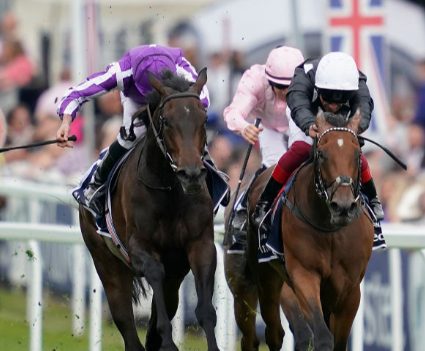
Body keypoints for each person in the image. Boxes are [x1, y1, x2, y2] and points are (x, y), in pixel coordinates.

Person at [55, 44, 210, 213]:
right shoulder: (122, 71)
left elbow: (203, 99)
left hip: (173, 99)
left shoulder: (180, 66)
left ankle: (214, 178)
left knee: (188, 129)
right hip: (136, 100)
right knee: (133, 135)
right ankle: (96, 184)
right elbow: (76, 93)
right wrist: (66, 121)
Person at [251, 51, 385, 227]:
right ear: (318, 89)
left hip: (342, 119)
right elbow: (298, 104)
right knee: (301, 149)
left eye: (339, 102)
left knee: (348, 150)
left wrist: (353, 131)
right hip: (306, 112)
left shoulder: (357, 82)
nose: (333, 106)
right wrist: (308, 126)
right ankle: (265, 202)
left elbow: (364, 111)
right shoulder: (303, 77)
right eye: (328, 100)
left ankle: (373, 199)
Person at [222, 45, 304, 250]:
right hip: (269, 128)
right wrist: (244, 127)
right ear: (269, 79)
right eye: (280, 87)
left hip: (300, 122)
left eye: (290, 87)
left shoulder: (310, 79)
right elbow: (233, 113)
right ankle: (242, 210)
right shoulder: (255, 80)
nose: (285, 92)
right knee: (274, 169)